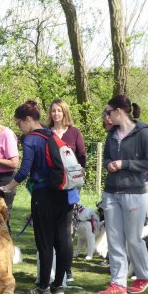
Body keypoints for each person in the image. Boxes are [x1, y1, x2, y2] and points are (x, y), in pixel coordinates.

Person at [0, 99, 72, 294]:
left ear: (28, 119)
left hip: (43, 193)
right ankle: (58, 286)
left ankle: (43, 288)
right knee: (63, 239)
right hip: (63, 192)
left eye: (19, 123)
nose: (19, 128)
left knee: (45, 241)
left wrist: (8, 187)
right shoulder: (52, 134)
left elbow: (24, 170)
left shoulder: (31, 139)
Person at [97, 95, 148, 294]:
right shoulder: (112, 134)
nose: (106, 116)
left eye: (108, 112)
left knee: (133, 239)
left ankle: (144, 275)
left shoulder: (143, 134)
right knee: (114, 240)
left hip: (134, 193)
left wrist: (125, 164)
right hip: (111, 193)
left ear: (119, 112)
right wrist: (108, 164)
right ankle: (118, 284)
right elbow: (106, 156)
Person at [48, 98, 86, 283]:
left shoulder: (74, 133)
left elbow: (82, 156)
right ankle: (52, 267)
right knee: (52, 229)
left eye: (59, 111)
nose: (56, 114)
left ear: (65, 112)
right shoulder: (47, 133)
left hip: (69, 187)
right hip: (51, 186)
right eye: (53, 110)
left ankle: (67, 269)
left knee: (67, 230)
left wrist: (80, 172)